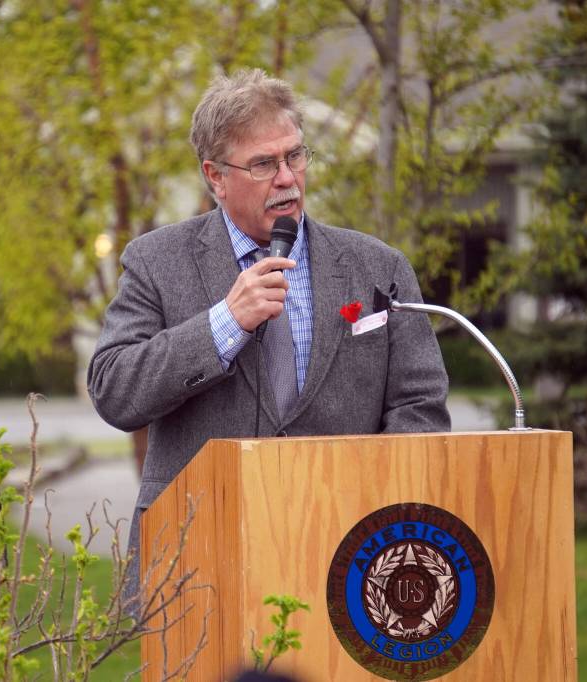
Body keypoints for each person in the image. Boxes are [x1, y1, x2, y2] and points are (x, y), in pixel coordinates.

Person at [87, 69, 450, 597]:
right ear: (215, 176)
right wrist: (224, 324)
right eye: (263, 164)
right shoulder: (157, 261)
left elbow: (420, 405)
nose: (287, 178)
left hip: (347, 550)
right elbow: (114, 389)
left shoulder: (378, 267)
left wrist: (376, 509)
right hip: (197, 553)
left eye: (295, 156)